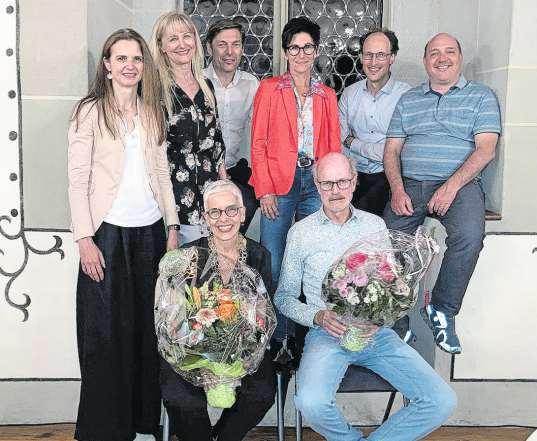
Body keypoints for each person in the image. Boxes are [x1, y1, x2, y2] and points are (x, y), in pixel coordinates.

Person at [274, 152, 456, 441]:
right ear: (317, 185)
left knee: (441, 400)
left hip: (376, 334)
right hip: (326, 335)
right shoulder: (301, 233)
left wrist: (381, 318)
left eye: (342, 182)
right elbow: (283, 298)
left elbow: (390, 285)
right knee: (310, 403)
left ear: (354, 182)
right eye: (327, 183)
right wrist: (318, 316)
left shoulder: (374, 225)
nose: (335, 191)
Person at [68, 28, 179, 441]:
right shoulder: (89, 112)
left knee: (146, 332)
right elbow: (77, 179)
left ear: (144, 66)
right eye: (121, 58)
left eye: (136, 58)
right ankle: (105, 430)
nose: (130, 66)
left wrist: (172, 226)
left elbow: (162, 173)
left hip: (150, 234)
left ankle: (143, 424)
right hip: (106, 237)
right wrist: (84, 239)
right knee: (104, 334)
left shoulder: (153, 112)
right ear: (107, 65)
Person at [383, 33, 501, 354]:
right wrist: (397, 189)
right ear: (425, 61)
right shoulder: (409, 99)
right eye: (434, 53)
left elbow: (486, 150)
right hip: (411, 183)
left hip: (461, 185)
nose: (442, 58)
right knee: (388, 239)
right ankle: (396, 318)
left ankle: (442, 309)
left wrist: (451, 186)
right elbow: (391, 150)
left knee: (469, 236)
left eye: (449, 51)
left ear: (460, 58)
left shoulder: (481, 96)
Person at [160, 180, 276, 441]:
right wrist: (203, 365)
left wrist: (236, 363)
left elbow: (261, 317)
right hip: (190, 349)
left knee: (261, 392)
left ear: (243, 214)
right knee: (180, 398)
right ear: (205, 218)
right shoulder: (188, 256)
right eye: (215, 212)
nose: (224, 219)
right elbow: (173, 320)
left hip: (244, 350)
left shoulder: (259, 256)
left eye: (231, 210)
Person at [249, 16, 341, 342]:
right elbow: (258, 143)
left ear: (316, 51)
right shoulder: (269, 89)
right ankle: (276, 338)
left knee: (313, 259)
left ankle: (306, 337)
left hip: (314, 184)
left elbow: (333, 147)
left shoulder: (327, 95)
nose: (301, 54)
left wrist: (331, 189)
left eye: (307, 47)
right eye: (294, 48)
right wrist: (264, 190)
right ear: (286, 52)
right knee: (273, 261)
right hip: (278, 186)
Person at [150, 11, 227, 245]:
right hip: (172, 202)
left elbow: (217, 143)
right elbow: (151, 151)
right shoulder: (154, 89)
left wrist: (224, 191)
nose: (182, 44)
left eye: (187, 36)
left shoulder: (207, 86)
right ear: (162, 46)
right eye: (173, 39)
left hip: (210, 199)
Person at [339, 28, 411, 216]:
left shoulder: (406, 96)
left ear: (392, 57)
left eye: (380, 55)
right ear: (361, 57)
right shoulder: (349, 94)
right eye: (368, 55)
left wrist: (354, 143)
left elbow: (401, 151)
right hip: (354, 176)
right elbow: (340, 140)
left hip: (391, 177)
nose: (373, 62)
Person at [204, 19, 259, 234]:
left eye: (236, 45)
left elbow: (262, 132)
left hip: (234, 172)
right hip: (200, 173)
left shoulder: (251, 84)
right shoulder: (196, 81)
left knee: (238, 225)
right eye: (222, 45)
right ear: (209, 48)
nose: (230, 52)